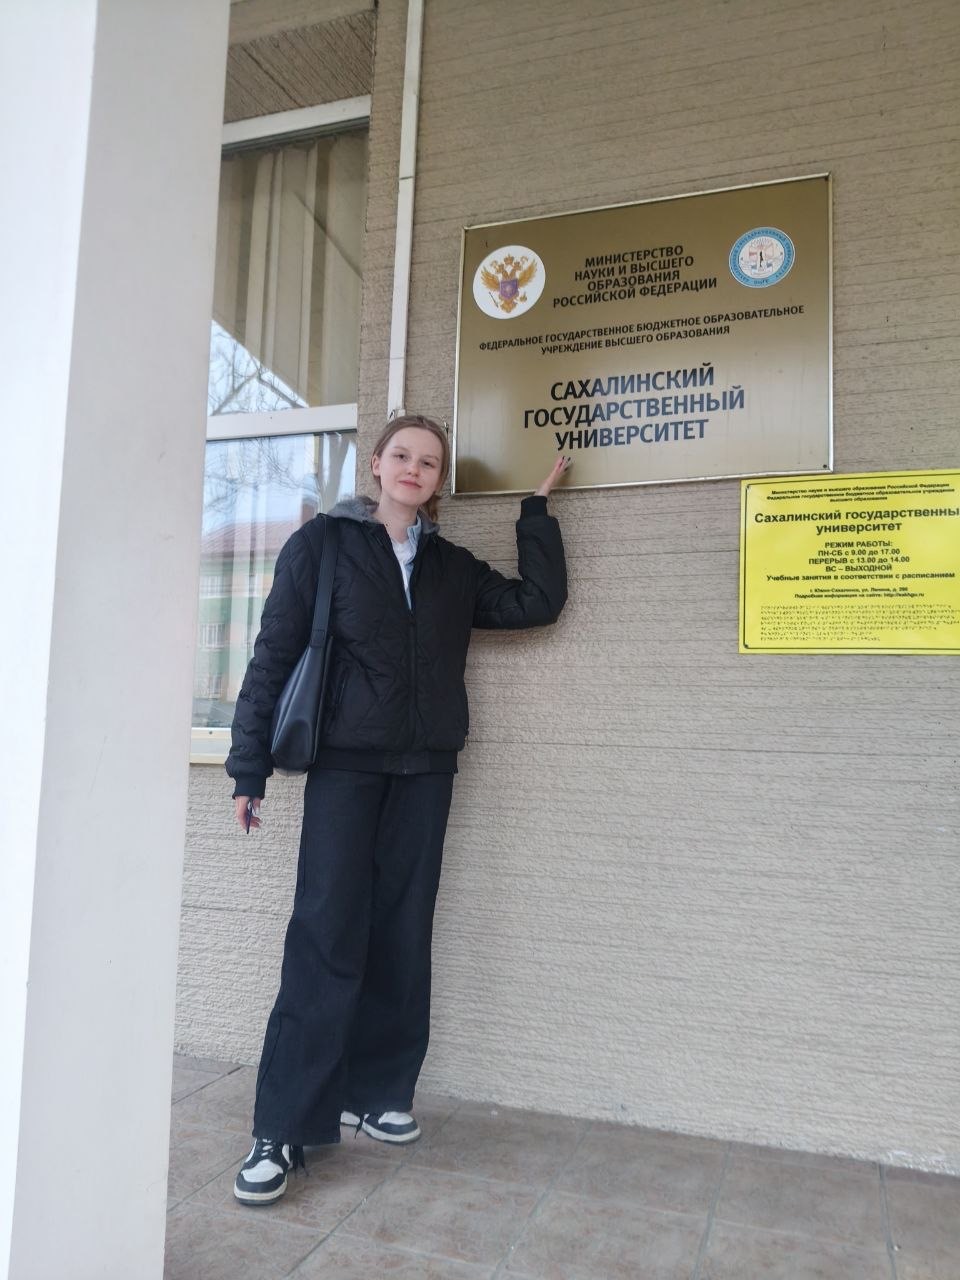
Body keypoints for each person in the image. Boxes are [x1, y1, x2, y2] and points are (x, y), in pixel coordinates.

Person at [225, 414, 569, 1204]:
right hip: (345, 769)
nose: (415, 469)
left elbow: (536, 603)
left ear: (439, 480)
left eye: (430, 461)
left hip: (426, 770)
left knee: (404, 932)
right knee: (326, 935)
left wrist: (536, 511)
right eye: (403, 455)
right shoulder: (324, 545)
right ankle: (280, 1128)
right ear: (376, 463)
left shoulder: (451, 567)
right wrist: (248, 767)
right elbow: (274, 654)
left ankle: (376, 1091)